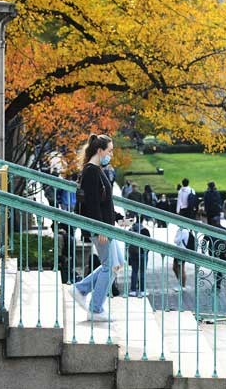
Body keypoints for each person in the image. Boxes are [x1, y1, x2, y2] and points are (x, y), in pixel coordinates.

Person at [70, 134, 117, 322]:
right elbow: (93, 204)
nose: (111, 155)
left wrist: (118, 218)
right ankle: (95, 308)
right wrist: (100, 229)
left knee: (114, 265)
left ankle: (81, 289)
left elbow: (104, 201)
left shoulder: (96, 170)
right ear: (100, 150)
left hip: (105, 226)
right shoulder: (91, 171)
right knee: (109, 266)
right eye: (110, 151)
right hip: (100, 228)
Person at [128, 218, 151, 297]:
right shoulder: (145, 230)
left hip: (133, 253)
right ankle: (142, 290)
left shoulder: (131, 230)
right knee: (142, 272)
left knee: (134, 271)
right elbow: (149, 243)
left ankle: (133, 290)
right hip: (143, 253)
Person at [173, 226, 190, 291]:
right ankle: (181, 284)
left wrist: (177, 235)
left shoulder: (184, 231)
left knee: (181, 268)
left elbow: (176, 240)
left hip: (182, 252)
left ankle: (182, 286)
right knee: (175, 268)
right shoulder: (181, 230)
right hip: (178, 251)